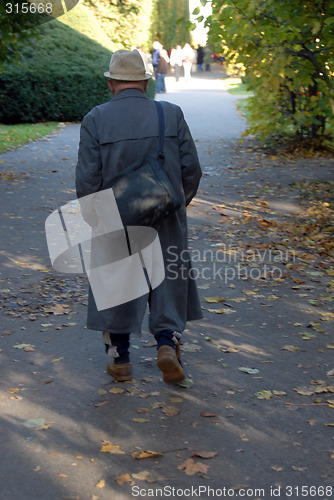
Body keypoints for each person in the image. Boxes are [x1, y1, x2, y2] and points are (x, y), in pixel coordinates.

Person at [75, 49, 202, 385]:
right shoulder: (170, 115)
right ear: (146, 81)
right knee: (167, 280)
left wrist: (96, 218)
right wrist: (176, 202)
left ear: (111, 83)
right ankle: (167, 344)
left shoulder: (96, 118)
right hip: (166, 215)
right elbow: (192, 169)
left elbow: (87, 180)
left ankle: (120, 358)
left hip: (116, 215)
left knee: (116, 279)